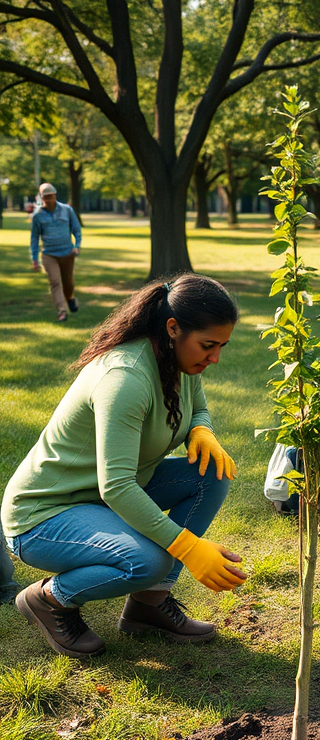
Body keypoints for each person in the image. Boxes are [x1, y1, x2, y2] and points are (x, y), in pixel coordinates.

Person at [2, 274, 246, 658]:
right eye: (208, 345)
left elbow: (197, 406)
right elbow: (115, 486)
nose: (214, 358)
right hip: (46, 514)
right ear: (172, 328)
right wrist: (188, 548)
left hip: (102, 497)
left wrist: (202, 430)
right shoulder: (125, 377)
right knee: (149, 559)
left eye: (222, 346)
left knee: (210, 473)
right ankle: (49, 599)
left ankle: (148, 605)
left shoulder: (176, 361)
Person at [30, 182, 82, 322]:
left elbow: (76, 229)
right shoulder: (38, 216)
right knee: (54, 282)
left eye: (51, 196)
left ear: (55, 195)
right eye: (45, 197)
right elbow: (34, 238)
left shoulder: (67, 210)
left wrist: (77, 246)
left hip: (67, 253)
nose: (48, 199)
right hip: (49, 254)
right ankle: (62, 311)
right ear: (42, 198)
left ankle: (70, 298)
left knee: (68, 283)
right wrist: (34, 259)